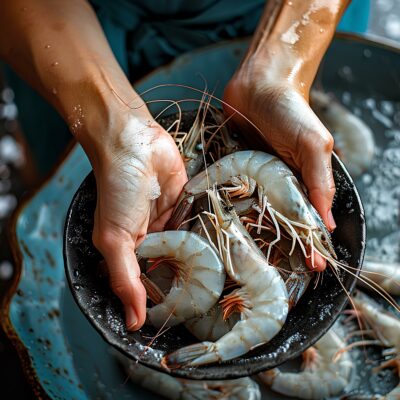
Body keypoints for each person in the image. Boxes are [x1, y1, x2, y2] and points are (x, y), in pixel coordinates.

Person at [0, 0, 362, 331]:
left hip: (294, 14)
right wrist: (113, 127)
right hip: (60, 39)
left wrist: (280, 71)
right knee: (55, 180)